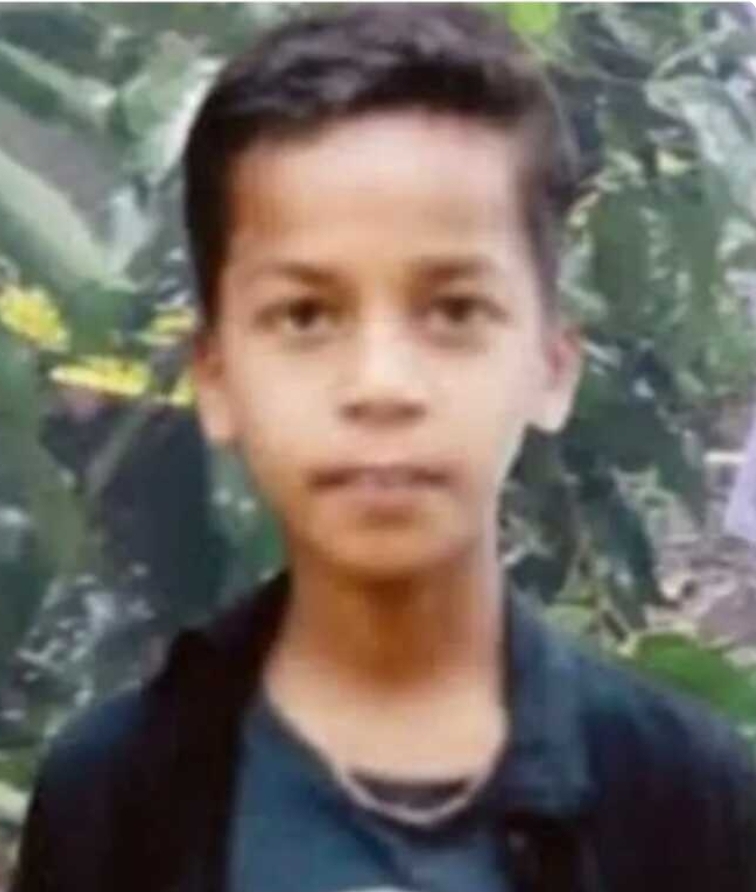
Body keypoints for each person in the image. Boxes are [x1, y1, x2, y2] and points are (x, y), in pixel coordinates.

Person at [12, 5, 756, 892]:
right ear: (214, 375)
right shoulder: (113, 800)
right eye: (305, 315)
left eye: (455, 310)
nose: (381, 384)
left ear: (553, 367)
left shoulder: (685, 803)